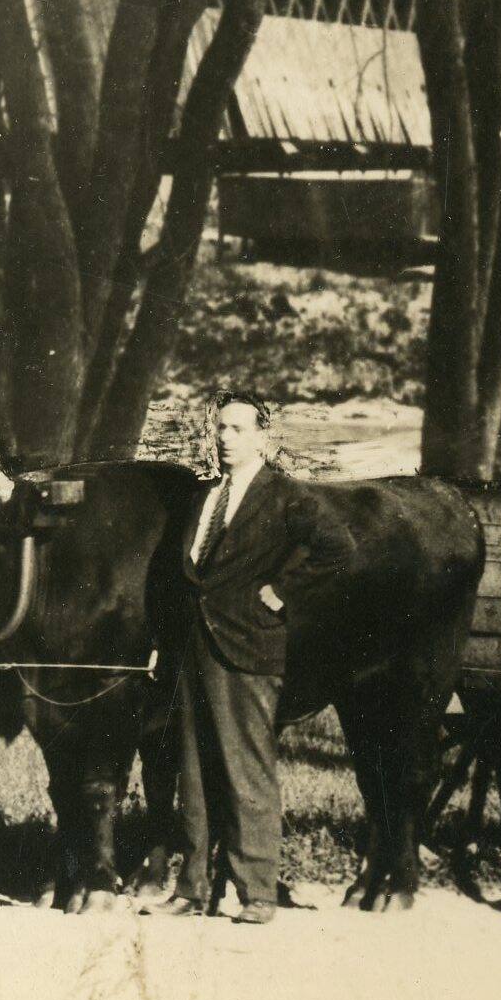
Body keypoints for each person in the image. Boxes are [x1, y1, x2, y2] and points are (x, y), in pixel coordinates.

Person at [152, 392, 354, 924]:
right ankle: (192, 889)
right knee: (193, 774)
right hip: (195, 648)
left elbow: (339, 549)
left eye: (238, 429)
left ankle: (258, 893)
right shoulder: (204, 497)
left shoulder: (286, 496)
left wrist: (284, 592)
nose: (225, 438)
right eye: (220, 427)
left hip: (248, 648)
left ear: (263, 436)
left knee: (247, 772)